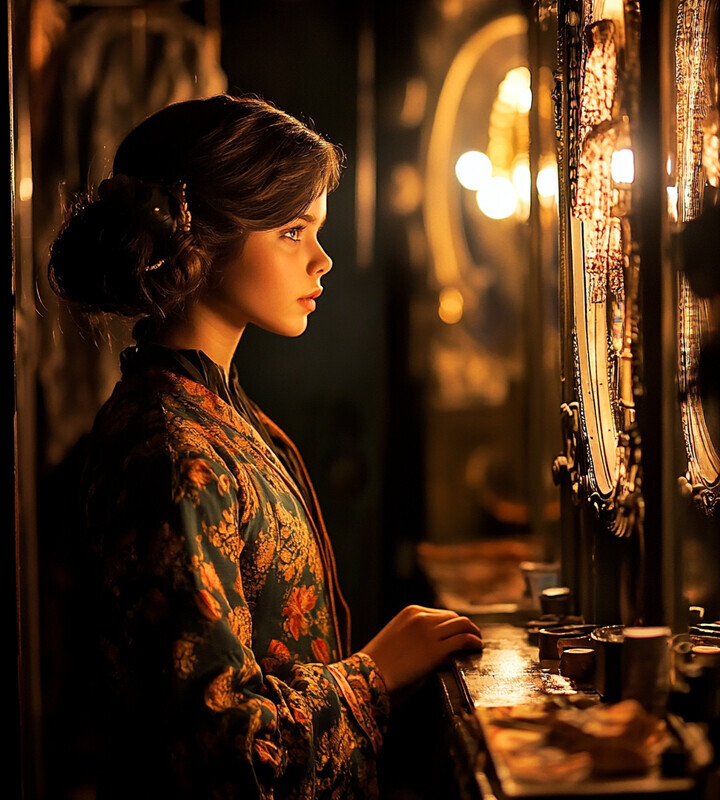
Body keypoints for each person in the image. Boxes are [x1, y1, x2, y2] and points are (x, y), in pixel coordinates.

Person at [47, 94, 482, 800]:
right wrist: (375, 671)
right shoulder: (174, 451)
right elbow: (229, 755)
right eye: (292, 230)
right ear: (204, 240)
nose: (322, 259)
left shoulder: (214, 413)